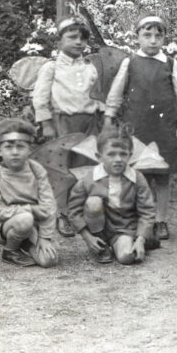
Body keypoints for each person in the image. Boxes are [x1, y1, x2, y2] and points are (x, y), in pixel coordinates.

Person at [103, 14, 177, 240]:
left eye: (157, 36)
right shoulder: (129, 63)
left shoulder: (171, 64)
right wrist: (109, 116)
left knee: (162, 176)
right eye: (147, 35)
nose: (152, 40)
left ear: (164, 39)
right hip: (136, 129)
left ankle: (161, 220)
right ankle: (139, 218)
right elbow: (116, 92)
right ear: (137, 37)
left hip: (163, 128)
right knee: (136, 175)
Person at [31, 16, 103, 237]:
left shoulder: (91, 66)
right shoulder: (51, 67)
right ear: (59, 41)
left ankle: (82, 211)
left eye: (82, 38)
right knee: (63, 169)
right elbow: (40, 97)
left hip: (90, 123)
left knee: (86, 167)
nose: (78, 42)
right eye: (72, 37)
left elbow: (99, 92)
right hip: (64, 123)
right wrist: (46, 124)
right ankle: (63, 214)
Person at [67, 124, 159, 265]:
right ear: (99, 156)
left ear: (130, 155)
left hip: (124, 228)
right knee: (93, 203)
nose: (118, 159)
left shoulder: (137, 178)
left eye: (123, 154)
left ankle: (141, 239)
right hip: (99, 228)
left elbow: (147, 210)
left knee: (127, 258)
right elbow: (74, 210)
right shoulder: (89, 179)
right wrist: (87, 237)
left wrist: (141, 239)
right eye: (111, 154)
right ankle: (100, 245)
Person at [0, 118, 59, 267]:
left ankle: (26, 243)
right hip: (6, 226)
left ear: (29, 149)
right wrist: (30, 209)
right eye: (8, 147)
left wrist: (45, 236)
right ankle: (10, 250)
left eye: (20, 146)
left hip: (34, 224)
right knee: (24, 220)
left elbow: (48, 205)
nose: (15, 152)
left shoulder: (36, 169)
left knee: (49, 261)